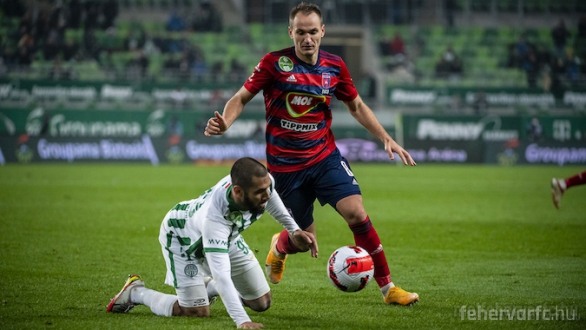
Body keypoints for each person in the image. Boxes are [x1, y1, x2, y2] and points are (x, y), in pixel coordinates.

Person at [204, 2, 419, 306]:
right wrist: (226, 121)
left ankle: (388, 288)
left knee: (357, 213)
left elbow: (356, 106)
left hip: (324, 157)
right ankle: (279, 245)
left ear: (323, 31)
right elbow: (240, 98)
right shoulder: (273, 63)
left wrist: (386, 137)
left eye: (313, 32)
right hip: (285, 170)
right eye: (301, 32)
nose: (307, 38)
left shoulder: (334, 66)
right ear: (290, 32)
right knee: (303, 241)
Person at [106, 157, 318, 329]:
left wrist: (294, 230)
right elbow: (223, 275)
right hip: (184, 240)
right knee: (196, 312)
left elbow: (271, 197)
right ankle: (136, 292)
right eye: (259, 193)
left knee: (261, 303)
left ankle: (206, 287)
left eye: (267, 188)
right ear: (237, 191)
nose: (266, 196)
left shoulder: (261, 183)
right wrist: (242, 321)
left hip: (228, 238)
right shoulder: (214, 219)